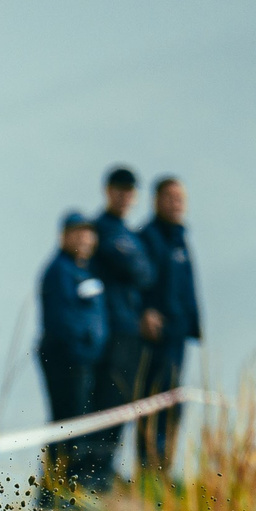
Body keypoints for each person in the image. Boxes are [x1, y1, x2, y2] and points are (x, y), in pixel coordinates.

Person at [84, 166, 156, 492]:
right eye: (119, 189)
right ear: (107, 190)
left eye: (129, 191)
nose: (124, 196)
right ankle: (93, 474)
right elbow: (134, 268)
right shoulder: (101, 230)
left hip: (131, 329)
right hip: (112, 329)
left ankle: (107, 470)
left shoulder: (129, 233)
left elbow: (145, 273)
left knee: (124, 401)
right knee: (106, 402)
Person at [34, 212, 106, 501]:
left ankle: (67, 488)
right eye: (78, 234)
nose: (85, 240)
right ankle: (54, 491)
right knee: (66, 425)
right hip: (65, 360)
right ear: (64, 236)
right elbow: (62, 322)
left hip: (83, 361)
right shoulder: (59, 272)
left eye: (88, 235)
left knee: (76, 425)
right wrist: (84, 350)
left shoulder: (84, 270)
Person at [136, 176, 200, 477]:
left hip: (178, 334)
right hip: (155, 337)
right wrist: (144, 310)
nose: (177, 204)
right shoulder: (148, 237)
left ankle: (163, 468)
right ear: (156, 200)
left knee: (173, 404)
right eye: (171, 198)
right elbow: (139, 281)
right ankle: (148, 466)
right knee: (152, 400)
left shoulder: (180, 239)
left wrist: (192, 325)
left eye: (181, 198)